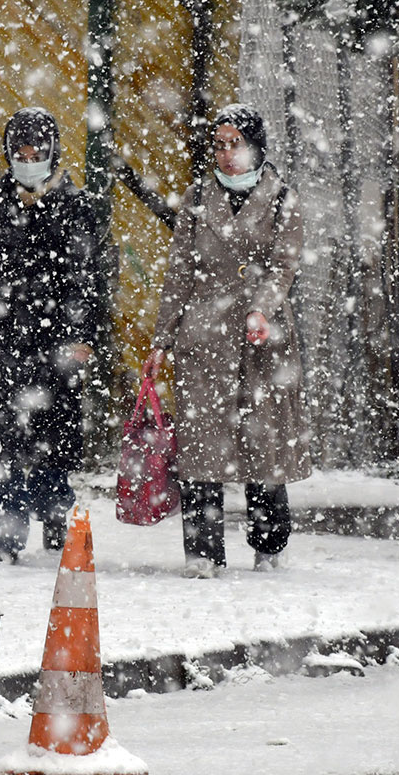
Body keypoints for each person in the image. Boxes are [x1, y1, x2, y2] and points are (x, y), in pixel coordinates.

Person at [145, 103, 311, 578]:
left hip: (264, 336)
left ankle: (269, 545)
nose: (225, 153)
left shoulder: (282, 199)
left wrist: (262, 307)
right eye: (218, 144)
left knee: (264, 446)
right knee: (202, 449)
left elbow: (284, 264)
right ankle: (202, 554)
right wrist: (162, 340)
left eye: (235, 143)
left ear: (257, 146)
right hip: (204, 336)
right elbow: (178, 274)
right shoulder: (198, 198)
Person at [0, 107, 107, 563]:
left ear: (53, 150)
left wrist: (81, 334)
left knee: (52, 448)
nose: (27, 157)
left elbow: (87, 277)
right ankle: (5, 546)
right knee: (2, 451)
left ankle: (60, 538)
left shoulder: (75, 205)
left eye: (36, 150)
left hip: (53, 346)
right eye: (19, 149)